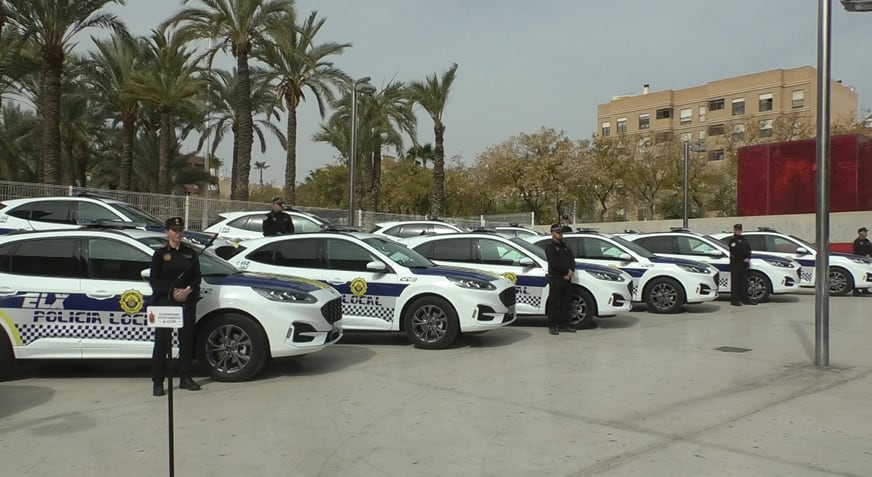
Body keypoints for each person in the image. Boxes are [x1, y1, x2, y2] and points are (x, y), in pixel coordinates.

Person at [149, 217, 202, 396]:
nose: (178, 233)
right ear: (167, 232)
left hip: (186, 302)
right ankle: (158, 381)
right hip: (165, 303)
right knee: (162, 343)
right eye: (174, 230)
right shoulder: (160, 254)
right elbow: (154, 280)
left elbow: (197, 277)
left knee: (186, 341)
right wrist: (172, 292)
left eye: (180, 230)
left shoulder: (190, 253)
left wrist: (187, 290)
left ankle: (185, 378)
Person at [544, 223, 578, 335]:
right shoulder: (550, 247)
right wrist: (565, 272)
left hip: (567, 278)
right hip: (556, 277)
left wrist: (571, 270)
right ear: (552, 233)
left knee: (566, 302)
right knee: (554, 303)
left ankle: (564, 324)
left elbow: (571, 259)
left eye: (561, 232)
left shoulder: (565, 246)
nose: (560, 234)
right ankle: (552, 325)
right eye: (558, 232)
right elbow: (554, 263)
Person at [728, 223, 755, 306]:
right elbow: (735, 251)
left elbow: (748, 249)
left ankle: (745, 299)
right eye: (737, 230)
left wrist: (748, 257)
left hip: (744, 263)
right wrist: (743, 258)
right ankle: (734, 300)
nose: (739, 231)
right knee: (735, 282)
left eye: (740, 230)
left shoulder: (743, 239)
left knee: (744, 282)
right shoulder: (733, 240)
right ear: (734, 230)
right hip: (737, 263)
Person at [852, 226, 871, 295]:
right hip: (859, 260)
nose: (866, 233)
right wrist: (864, 255)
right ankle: (855, 290)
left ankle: (864, 289)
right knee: (858, 273)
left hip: (867, 260)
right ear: (860, 233)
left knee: (866, 274)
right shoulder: (857, 241)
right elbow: (856, 251)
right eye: (865, 232)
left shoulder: (867, 241)